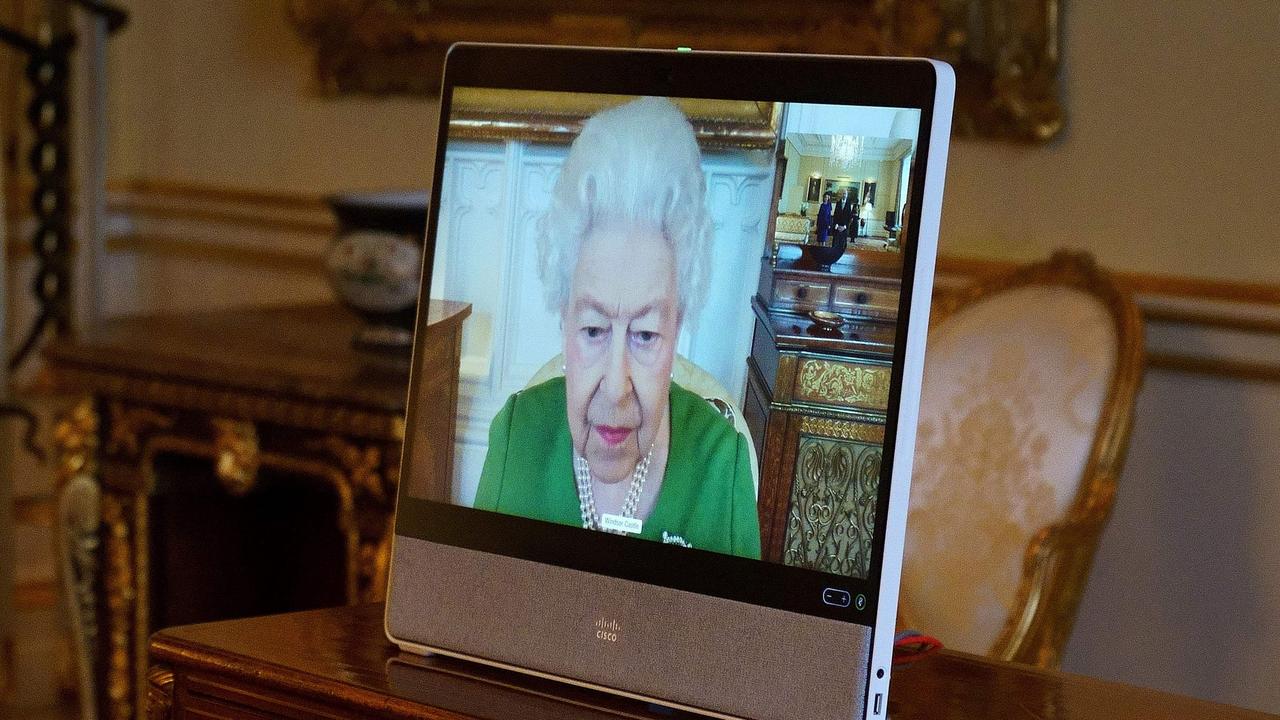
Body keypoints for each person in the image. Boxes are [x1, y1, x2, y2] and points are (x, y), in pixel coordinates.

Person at [473, 97, 761, 560]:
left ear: (676, 328)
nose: (616, 386)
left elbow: (744, 635)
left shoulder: (721, 465)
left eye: (645, 334)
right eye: (593, 330)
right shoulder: (515, 437)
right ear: (564, 319)